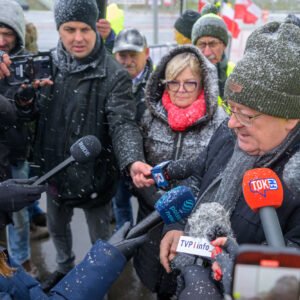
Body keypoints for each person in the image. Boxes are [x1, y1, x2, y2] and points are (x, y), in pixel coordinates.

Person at [156, 18, 300, 298]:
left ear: (291, 118)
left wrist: (240, 275)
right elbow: (199, 176)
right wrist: (176, 225)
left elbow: (291, 283)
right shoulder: (229, 131)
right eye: (230, 107)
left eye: (246, 114)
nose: (232, 122)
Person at [32, 0, 152, 291]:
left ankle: (97, 283)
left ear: (95, 28)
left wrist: (132, 159)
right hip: (55, 172)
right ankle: (63, 269)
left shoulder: (114, 74)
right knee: (58, 228)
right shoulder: (44, 67)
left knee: (102, 238)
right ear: (59, 30)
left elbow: (123, 123)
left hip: (96, 176)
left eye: (84, 29)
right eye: (69, 29)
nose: (78, 37)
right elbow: (29, 116)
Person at [133, 45, 226, 299]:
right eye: (174, 83)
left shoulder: (219, 121)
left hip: (191, 223)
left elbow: (213, 176)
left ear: (202, 85)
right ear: (164, 84)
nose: (181, 90)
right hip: (151, 215)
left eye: (190, 83)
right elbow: (139, 161)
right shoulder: (150, 117)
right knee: (152, 274)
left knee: (180, 281)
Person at [0, 0, 47, 277]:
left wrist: (28, 100)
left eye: (8, 33)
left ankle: (21, 262)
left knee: (18, 215)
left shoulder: (25, 63)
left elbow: (30, 114)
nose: (2, 40)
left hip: (17, 152)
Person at [112, 28, 154, 229]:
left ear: (146, 53)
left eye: (133, 55)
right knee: (120, 204)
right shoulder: (110, 82)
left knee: (149, 208)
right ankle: (125, 241)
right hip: (117, 162)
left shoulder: (159, 84)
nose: (128, 61)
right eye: (122, 55)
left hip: (148, 162)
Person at [191, 9, 235, 100]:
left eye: (213, 44)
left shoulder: (236, 73)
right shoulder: (183, 72)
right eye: (202, 45)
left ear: (224, 45)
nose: (207, 52)